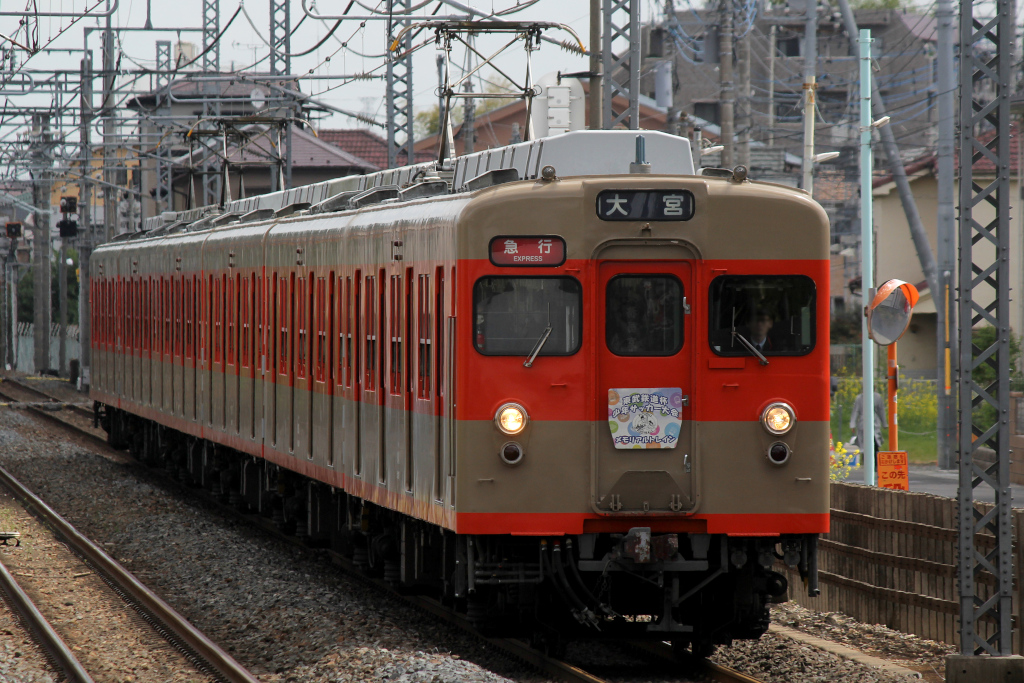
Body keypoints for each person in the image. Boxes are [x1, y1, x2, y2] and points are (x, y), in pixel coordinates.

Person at [849, 391, 886, 467]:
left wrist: (884, 423)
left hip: (874, 424)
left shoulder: (877, 397)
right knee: (864, 444)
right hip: (863, 424)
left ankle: (875, 463)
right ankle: (867, 462)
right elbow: (855, 411)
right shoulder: (859, 398)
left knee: (875, 443)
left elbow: (881, 411)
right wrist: (852, 424)